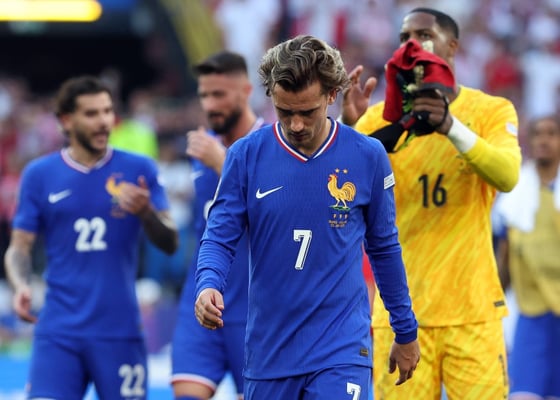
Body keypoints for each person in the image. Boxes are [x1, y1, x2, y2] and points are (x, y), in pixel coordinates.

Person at [194, 34, 420, 400]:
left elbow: (384, 248)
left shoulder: (368, 155)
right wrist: (208, 284)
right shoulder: (245, 155)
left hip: (341, 348)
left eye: (307, 112)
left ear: (332, 96)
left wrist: (405, 329)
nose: (296, 125)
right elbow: (219, 236)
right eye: (285, 112)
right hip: (270, 352)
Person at [341, 7, 522, 400]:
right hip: (401, 317)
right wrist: (349, 129)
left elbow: (508, 176)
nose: (411, 46)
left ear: (452, 46)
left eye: (423, 35)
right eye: (403, 37)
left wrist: (450, 127)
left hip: (472, 311)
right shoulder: (377, 120)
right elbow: (338, 193)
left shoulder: (490, 111)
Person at [3, 75, 179, 399]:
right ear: (65, 120)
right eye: (91, 113)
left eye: (107, 111)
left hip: (119, 330)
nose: (103, 122)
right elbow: (19, 247)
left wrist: (146, 213)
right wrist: (21, 285)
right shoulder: (40, 175)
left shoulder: (139, 169)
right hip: (59, 330)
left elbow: (171, 243)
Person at [170, 50, 264, 400]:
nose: (210, 105)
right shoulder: (202, 147)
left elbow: (277, 210)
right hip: (202, 296)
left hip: (255, 307)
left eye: (219, 94)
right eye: (204, 95)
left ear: (246, 91)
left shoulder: (268, 143)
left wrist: (222, 163)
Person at [494, 115, 560, 400]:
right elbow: (505, 259)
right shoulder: (514, 197)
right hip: (531, 315)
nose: (544, 140)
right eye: (537, 133)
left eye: (551, 133)